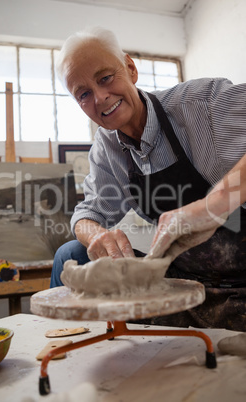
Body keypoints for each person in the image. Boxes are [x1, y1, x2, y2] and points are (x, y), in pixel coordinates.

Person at [51, 26, 246, 331]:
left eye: (105, 78)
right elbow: (87, 214)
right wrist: (97, 236)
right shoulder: (106, 146)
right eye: (84, 94)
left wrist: (213, 206)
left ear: (130, 68)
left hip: (240, 278)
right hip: (182, 282)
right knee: (71, 253)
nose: (101, 98)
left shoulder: (201, 105)